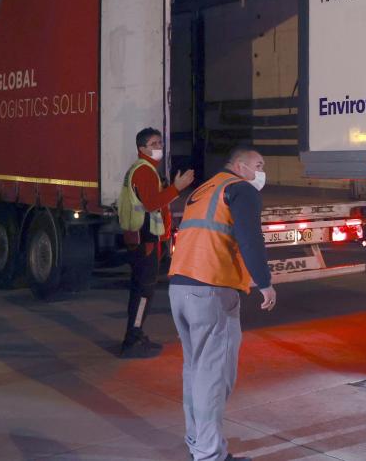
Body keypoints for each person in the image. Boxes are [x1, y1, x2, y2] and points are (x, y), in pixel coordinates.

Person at [169, 147, 277, 461]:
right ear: (240, 166)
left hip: (180, 287)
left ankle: (198, 442)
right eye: (259, 164)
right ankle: (210, 454)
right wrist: (265, 282)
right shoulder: (240, 189)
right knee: (214, 377)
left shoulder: (204, 189)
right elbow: (250, 237)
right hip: (211, 291)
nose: (262, 170)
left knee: (195, 372)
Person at [117, 127, 194, 358]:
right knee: (143, 291)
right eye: (153, 144)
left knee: (142, 289)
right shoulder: (145, 171)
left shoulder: (144, 169)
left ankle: (136, 334)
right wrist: (176, 189)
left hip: (144, 240)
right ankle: (132, 339)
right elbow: (151, 204)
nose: (159, 147)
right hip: (145, 241)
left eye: (160, 143)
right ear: (142, 148)